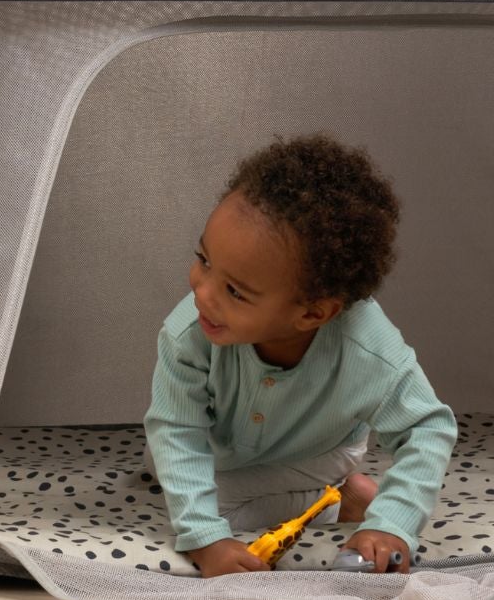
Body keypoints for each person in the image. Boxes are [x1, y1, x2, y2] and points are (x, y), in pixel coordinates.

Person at [144, 134, 458, 577]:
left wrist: (393, 524)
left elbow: (428, 427)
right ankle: (334, 497)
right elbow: (175, 427)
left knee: (219, 512)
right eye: (204, 259)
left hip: (319, 452)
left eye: (235, 291)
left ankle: (339, 495)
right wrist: (204, 536)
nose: (202, 292)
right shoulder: (189, 332)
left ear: (312, 313)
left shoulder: (368, 350)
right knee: (163, 464)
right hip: (227, 447)